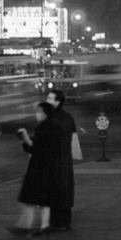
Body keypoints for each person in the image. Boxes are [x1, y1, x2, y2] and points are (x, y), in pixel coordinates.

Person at [17, 101, 67, 235]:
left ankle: (28, 226)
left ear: (45, 113)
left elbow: (36, 148)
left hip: (40, 168)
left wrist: (26, 138)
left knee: (32, 198)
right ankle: (44, 225)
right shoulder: (56, 126)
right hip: (51, 167)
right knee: (45, 199)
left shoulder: (44, 128)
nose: (37, 114)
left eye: (39, 111)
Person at [44, 88, 77, 231]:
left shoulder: (51, 119)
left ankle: (56, 222)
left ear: (57, 102)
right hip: (65, 160)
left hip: (53, 160)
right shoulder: (68, 117)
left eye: (50, 99)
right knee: (65, 190)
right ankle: (65, 221)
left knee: (54, 190)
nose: (47, 101)